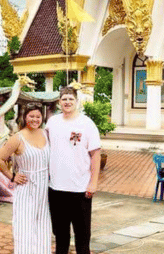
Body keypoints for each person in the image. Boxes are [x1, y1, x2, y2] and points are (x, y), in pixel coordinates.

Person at [46, 86, 101, 254]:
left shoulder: (87, 124)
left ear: (77, 101)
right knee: (61, 236)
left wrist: (93, 183)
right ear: (59, 102)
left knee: (82, 237)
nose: (67, 102)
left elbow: (96, 154)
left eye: (71, 99)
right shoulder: (52, 122)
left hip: (80, 189)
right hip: (56, 188)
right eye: (64, 99)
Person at [0, 102, 51, 254]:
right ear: (25, 117)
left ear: (42, 117)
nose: (35, 119)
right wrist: (12, 176)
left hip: (44, 188)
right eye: (31, 116)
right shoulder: (17, 138)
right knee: (24, 226)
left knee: (43, 226)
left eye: (38, 116)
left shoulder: (46, 134)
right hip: (26, 187)